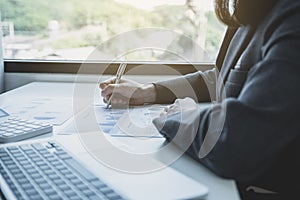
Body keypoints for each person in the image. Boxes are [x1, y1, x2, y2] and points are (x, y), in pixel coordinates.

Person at [100, 0, 300, 199]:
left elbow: (238, 139)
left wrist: (181, 116)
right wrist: (148, 92)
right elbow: (222, 77)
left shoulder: (293, 17)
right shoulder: (252, 9)